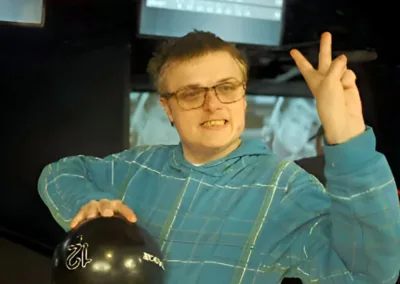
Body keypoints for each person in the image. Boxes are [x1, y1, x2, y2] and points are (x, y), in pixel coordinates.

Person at [38, 31, 400, 283]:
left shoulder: (287, 190)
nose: (213, 104)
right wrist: (87, 206)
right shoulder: (134, 167)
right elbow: (59, 174)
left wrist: (348, 141)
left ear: (242, 97)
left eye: (226, 88)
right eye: (192, 93)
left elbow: (369, 274)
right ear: (167, 107)